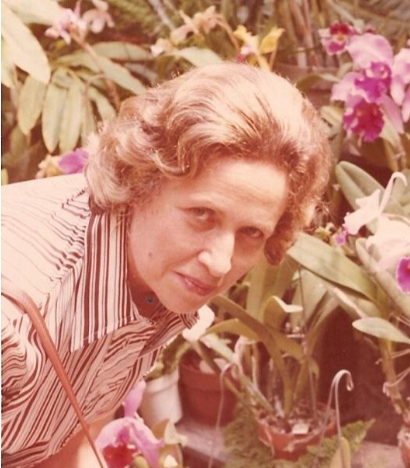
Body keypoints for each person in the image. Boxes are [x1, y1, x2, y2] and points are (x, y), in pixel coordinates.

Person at [1, 62, 331, 467]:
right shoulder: (13, 313)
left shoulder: (151, 276)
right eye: (202, 215)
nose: (220, 263)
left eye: (250, 232)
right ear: (141, 182)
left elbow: (67, 449)